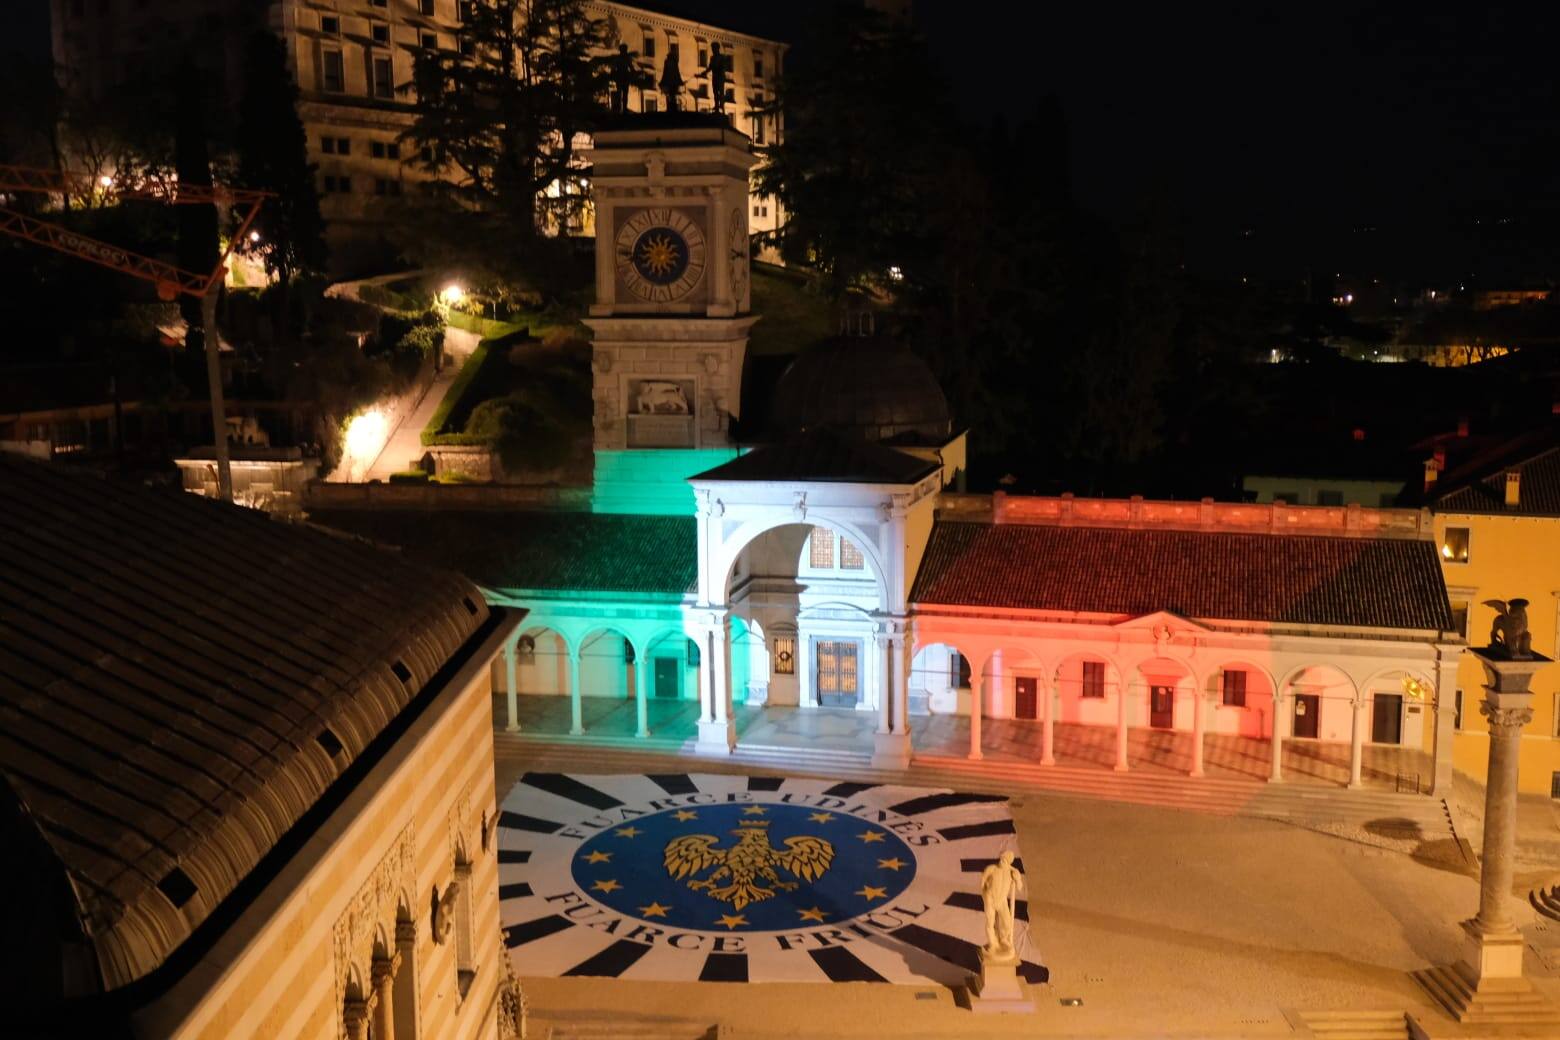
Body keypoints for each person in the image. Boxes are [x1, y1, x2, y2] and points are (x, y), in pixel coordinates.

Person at [980, 850, 1022, 961]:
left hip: (1002, 900)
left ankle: (1003, 939)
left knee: (1007, 922)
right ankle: (993, 943)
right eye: (1002, 858)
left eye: (1005, 859)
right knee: (990, 922)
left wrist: (1017, 878)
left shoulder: (1012, 872)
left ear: (1009, 861)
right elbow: (982, 881)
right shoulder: (992, 868)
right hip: (990, 898)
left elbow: (1019, 887)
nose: (1002, 860)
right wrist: (985, 895)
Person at [659, 45, 683, 112]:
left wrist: (662, 82)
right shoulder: (673, 61)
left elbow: (665, 72)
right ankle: (672, 108)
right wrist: (680, 81)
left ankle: (670, 107)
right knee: (672, 95)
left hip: (669, 81)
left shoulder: (668, 61)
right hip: (673, 81)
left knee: (670, 95)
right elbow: (676, 72)